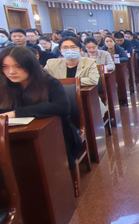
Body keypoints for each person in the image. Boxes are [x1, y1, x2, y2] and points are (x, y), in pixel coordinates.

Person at [0, 46, 82, 178]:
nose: (11, 72)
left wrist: (17, 112)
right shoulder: (3, 85)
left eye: (18, 66)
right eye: (5, 67)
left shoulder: (49, 82)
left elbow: (62, 107)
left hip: (55, 133)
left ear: (30, 65)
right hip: (13, 135)